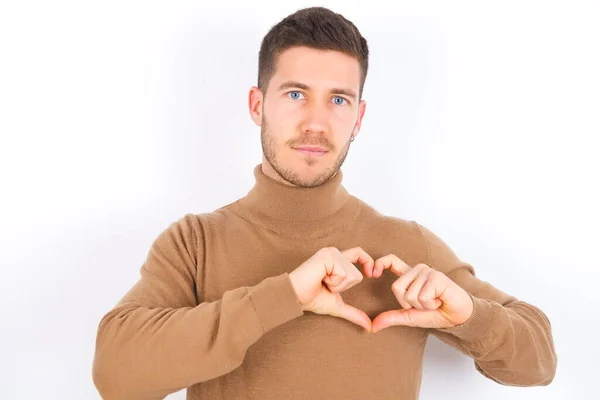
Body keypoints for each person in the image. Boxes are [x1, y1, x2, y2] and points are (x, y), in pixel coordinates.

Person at [92, 6, 557, 400]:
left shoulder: (406, 247)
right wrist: (285, 295)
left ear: (358, 117)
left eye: (338, 99)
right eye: (296, 94)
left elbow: (539, 361)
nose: (316, 122)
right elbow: (114, 372)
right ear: (258, 105)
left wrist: (470, 316)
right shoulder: (195, 243)